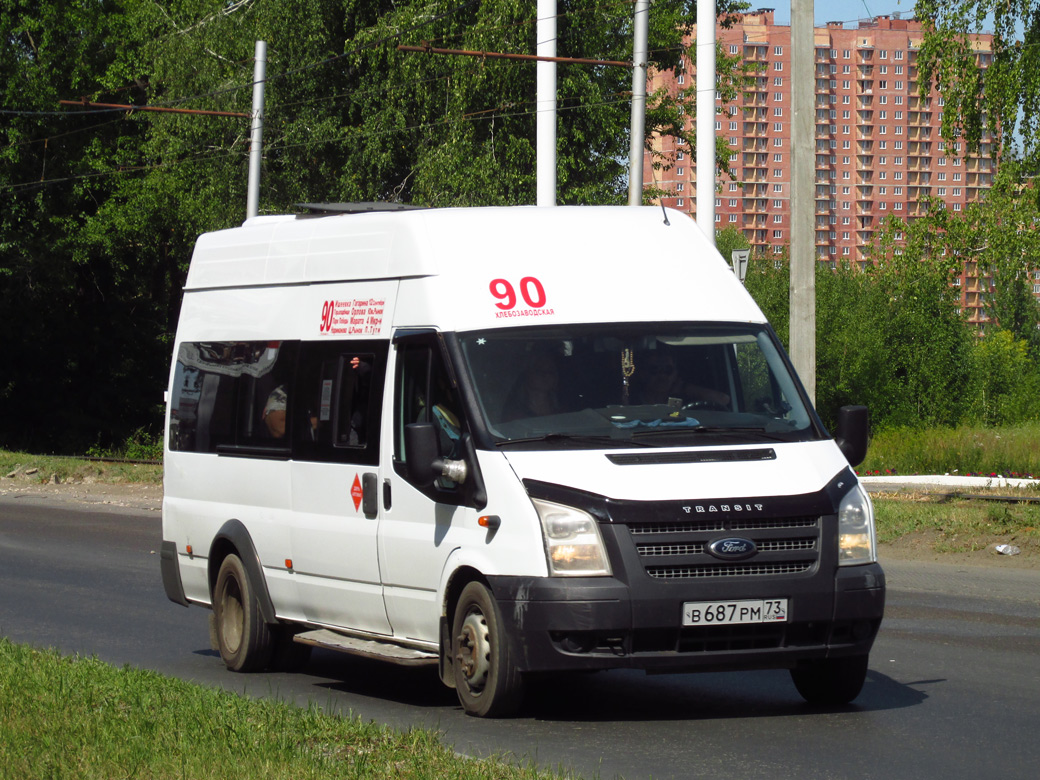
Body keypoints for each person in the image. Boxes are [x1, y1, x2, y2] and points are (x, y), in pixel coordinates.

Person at [501, 349, 560, 421]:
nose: (546, 375)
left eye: (550, 371)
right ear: (528, 374)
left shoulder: (564, 412)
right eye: (539, 370)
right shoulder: (513, 414)